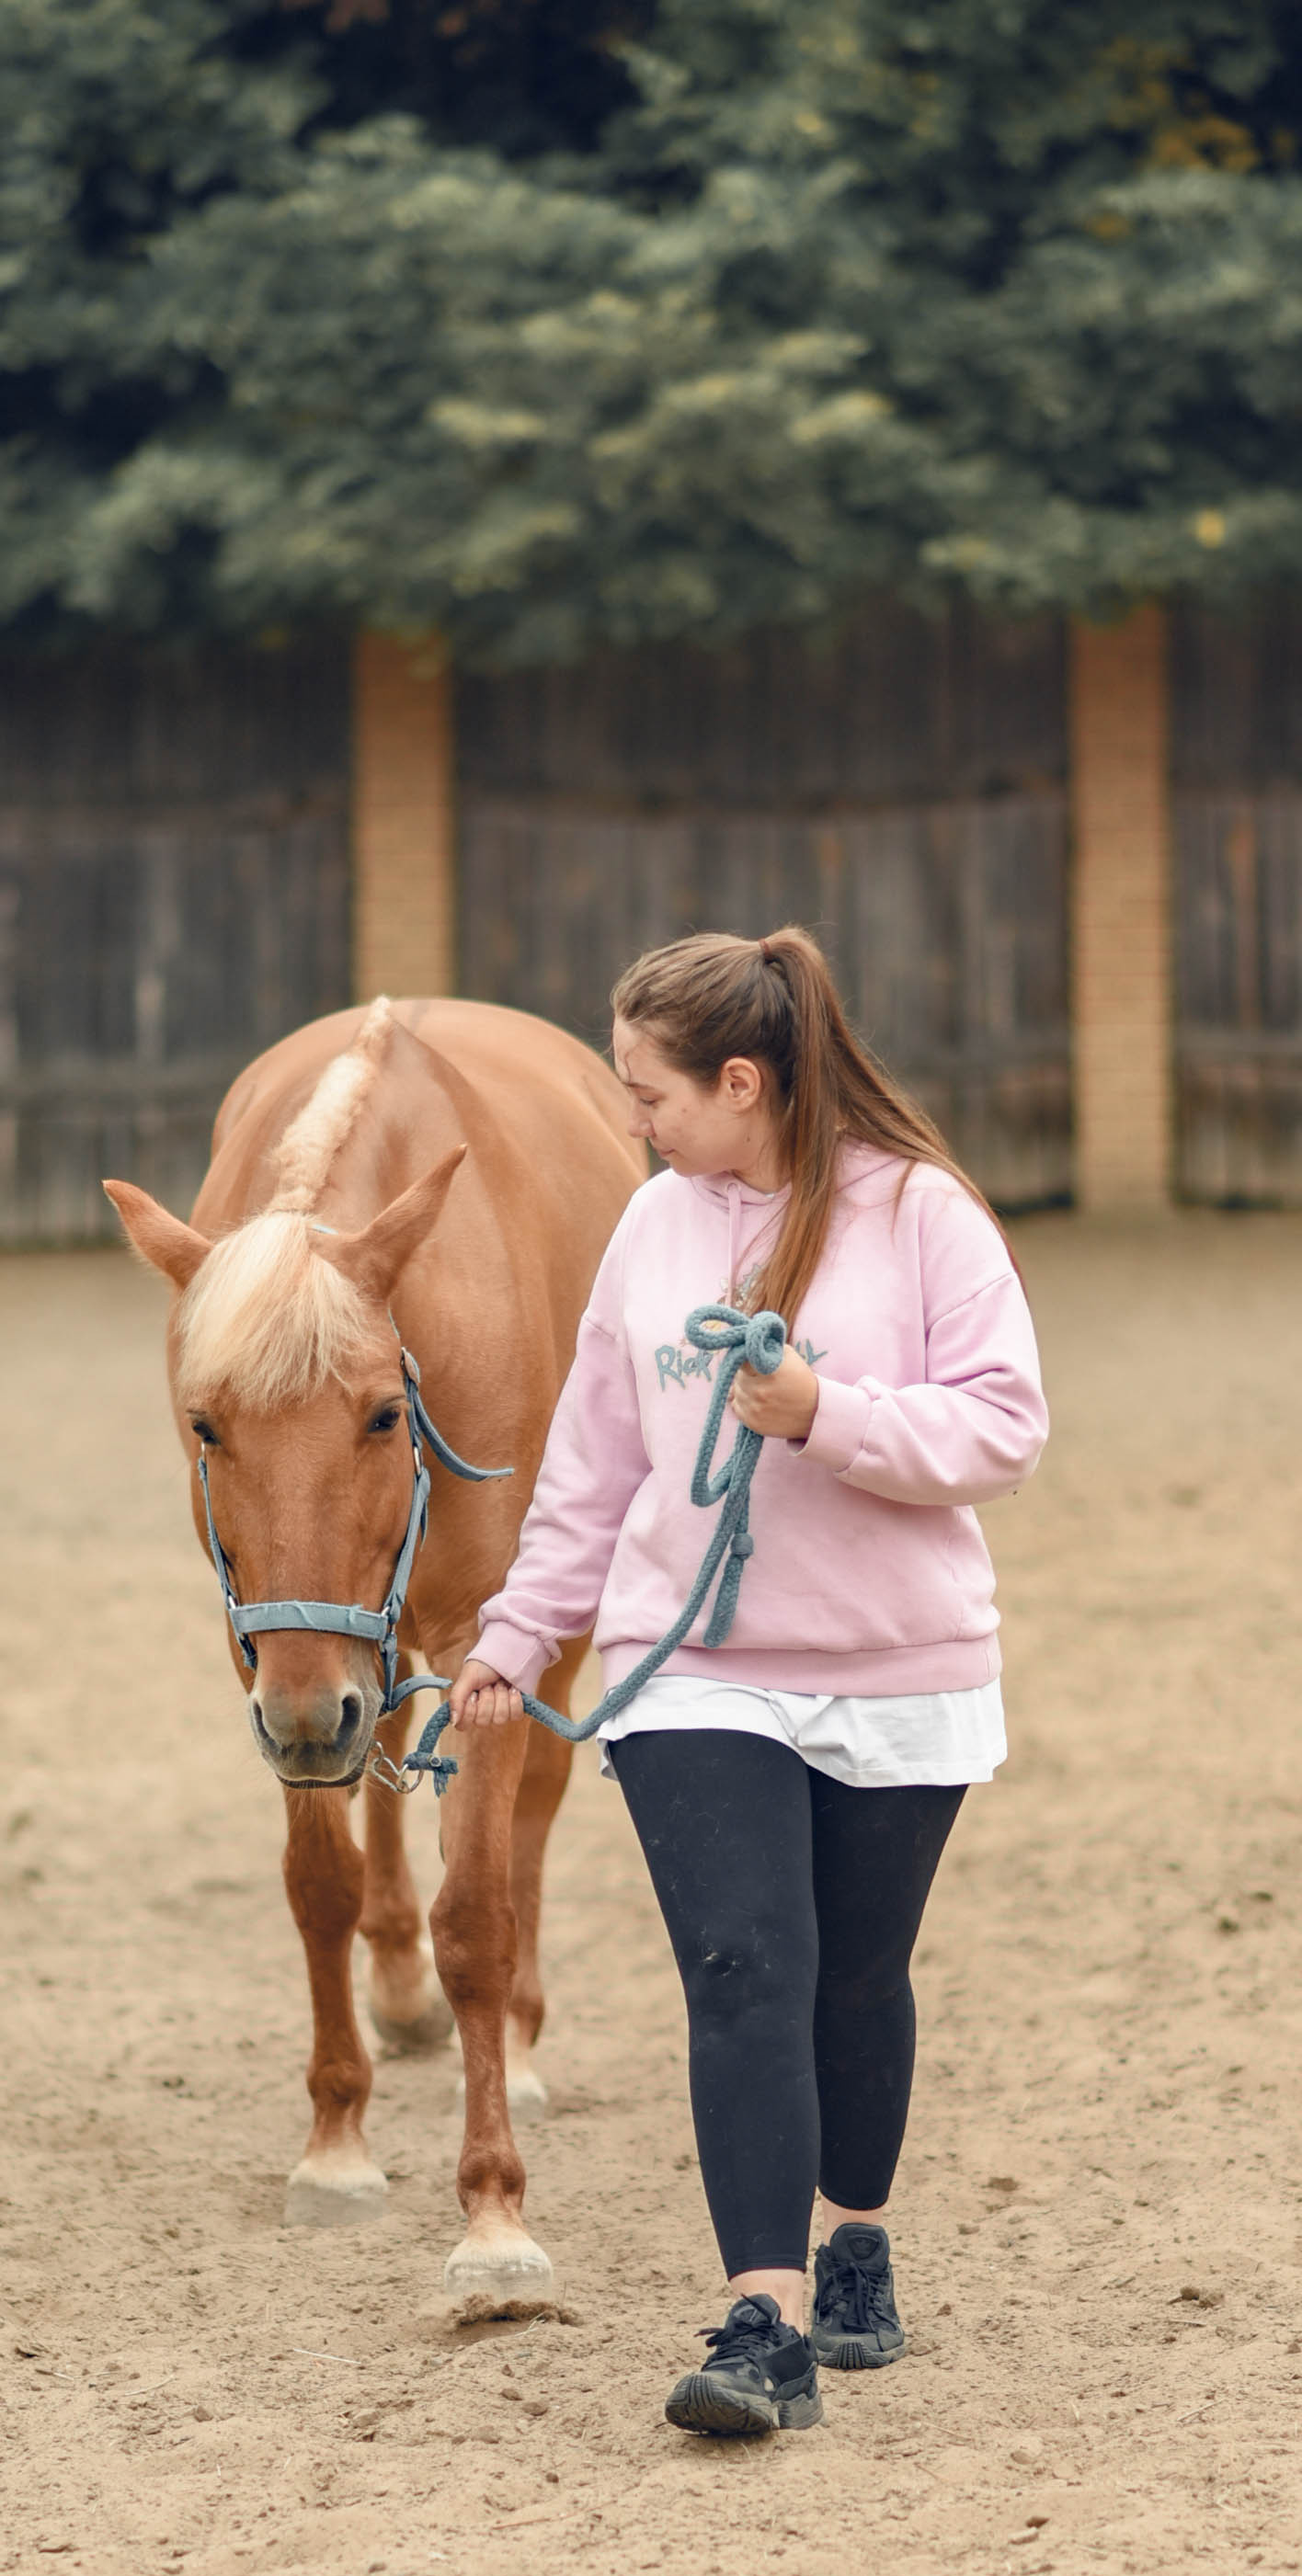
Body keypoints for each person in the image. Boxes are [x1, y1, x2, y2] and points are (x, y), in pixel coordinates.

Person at [447, 929, 1047, 2438]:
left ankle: (855, 2238)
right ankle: (762, 2322)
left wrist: (822, 1411)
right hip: (693, 1668)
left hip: (897, 1666)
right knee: (741, 1971)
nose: (628, 1115)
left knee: (855, 1978)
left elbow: (1004, 1429)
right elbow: (591, 1463)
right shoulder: (650, 1227)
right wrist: (516, 1634)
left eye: (646, 1089)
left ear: (739, 1081)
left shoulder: (921, 1212)